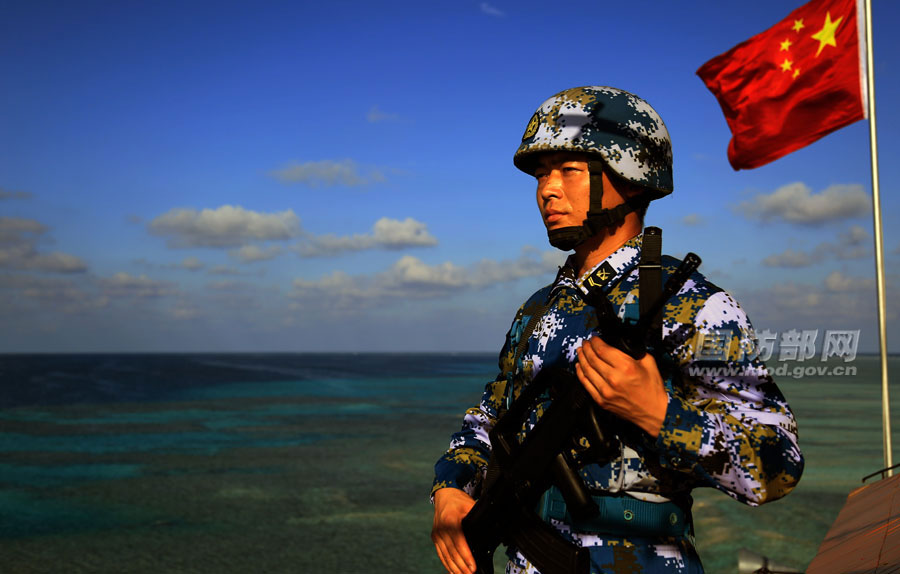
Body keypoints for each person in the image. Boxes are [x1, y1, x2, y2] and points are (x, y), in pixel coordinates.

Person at [430, 86, 804, 574]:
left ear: (630, 176)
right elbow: (491, 417)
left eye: (568, 169)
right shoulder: (540, 308)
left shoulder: (693, 307)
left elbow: (777, 465)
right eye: (541, 174)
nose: (547, 190)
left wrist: (659, 414)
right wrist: (451, 488)